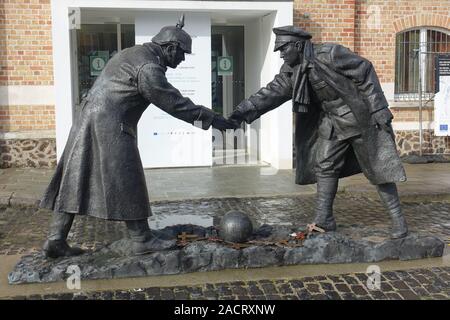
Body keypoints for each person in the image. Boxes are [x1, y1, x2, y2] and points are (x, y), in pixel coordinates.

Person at [40, 15, 237, 258]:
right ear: (170, 47)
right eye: (182, 53)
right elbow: (174, 104)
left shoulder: (133, 53)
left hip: (87, 120)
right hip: (110, 126)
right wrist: (214, 120)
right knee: (128, 177)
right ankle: (141, 239)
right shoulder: (149, 68)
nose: (183, 59)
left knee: (74, 177)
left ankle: (55, 239)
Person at [229, 25, 408, 239]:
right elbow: (270, 93)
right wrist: (239, 114)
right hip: (330, 122)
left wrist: (379, 107)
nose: (282, 55)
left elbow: (365, 70)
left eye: (284, 49)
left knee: (378, 169)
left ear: (297, 45)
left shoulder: (330, 54)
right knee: (325, 165)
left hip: (357, 119)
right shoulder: (291, 70)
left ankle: (399, 222)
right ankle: (325, 219)